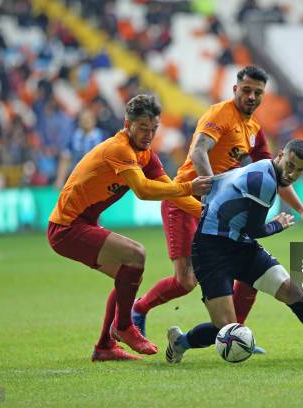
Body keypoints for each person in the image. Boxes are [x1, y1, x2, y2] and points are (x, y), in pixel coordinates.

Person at [132, 66, 303, 354]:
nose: (251, 96)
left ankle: (236, 337)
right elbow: (198, 152)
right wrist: (213, 192)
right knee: (186, 280)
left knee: (250, 273)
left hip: (216, 212)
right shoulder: (218, 115)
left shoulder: (253, 129)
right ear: (235, 89)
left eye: (257, 93)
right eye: (246, 90)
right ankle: (139, 309)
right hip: (186, 202)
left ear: (262, 96)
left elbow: (277, 172)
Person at [165, 139, 303, 363]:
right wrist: (277, 225)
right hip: (211, 249)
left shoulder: (266, 171)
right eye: (290, 165)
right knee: (227, 331)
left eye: (299, 170)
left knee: (292, 291)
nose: (292, 174)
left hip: (239, 245)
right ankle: (180, 342)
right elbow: (254, 229)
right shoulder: (264, 180)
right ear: (280, 155)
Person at [47, 95, 212, 362]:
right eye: (143, 129)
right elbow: (144, 190)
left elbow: (170, 192)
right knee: (136, 254)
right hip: (66, 228)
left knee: (126, 275)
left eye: (153, 129)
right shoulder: (119, 149)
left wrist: (206, 213)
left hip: (82, 223)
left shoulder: (146, 154)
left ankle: (104, 347)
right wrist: (189, 187)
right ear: (128, 124)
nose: (148, 135)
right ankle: (123, 327)